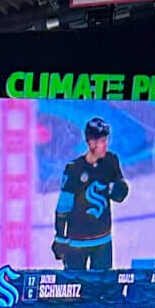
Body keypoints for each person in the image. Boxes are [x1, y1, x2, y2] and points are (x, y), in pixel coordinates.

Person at [53, 114, 128, 271]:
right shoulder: (74, 169)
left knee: (102, 289)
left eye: (106, 141)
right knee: (74, 289)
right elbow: (63, 207)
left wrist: (118, 188)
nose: (105, 145)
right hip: (76, 243)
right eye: (101, 142)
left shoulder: (111, 161)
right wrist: (60, 237)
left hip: (102, 242)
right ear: (91, 143)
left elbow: (120, 194)